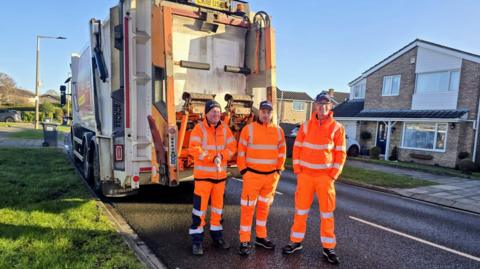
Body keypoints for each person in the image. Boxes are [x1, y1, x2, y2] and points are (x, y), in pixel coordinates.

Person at [282, 92, 347, 265]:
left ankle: (328, 248)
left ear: (330, 107)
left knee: (326, 214)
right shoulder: (305, 126)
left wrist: (333, 175)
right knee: (300, 211)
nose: (322, 107)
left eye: (325, 104)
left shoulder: (337, 128)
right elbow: (296, 149)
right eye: (319, 104)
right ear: (315, 106)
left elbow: (341, 154)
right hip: (305, 177)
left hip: (325, 178)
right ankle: (295, 242)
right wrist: (298, 170)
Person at [237, 100, 286, 256]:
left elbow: (282, 154)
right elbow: (241, 153)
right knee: (248, 209)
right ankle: (244, 240)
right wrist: (244, 172)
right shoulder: (248, 129)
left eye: (269, 112)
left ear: (272, 114)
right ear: (259, 112)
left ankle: (260, 237)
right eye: (263, 111)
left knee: (264, 209)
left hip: (270, 178)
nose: (266, 114)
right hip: (252, 176)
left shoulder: (279, 131)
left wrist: (278, 171)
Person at [188, 100, 237, 256]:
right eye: (213, 112)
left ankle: (217, 237)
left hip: (220, 179)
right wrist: (211, 157)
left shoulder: (225, 129)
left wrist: (221, 156)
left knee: (217, 211)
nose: (216, 114)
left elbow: (232, 147)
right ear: (206, 113)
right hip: (203, 179)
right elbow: (194, 149)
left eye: (218, 111)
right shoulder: (199, 129)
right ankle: (197, 242)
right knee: (199, 212)